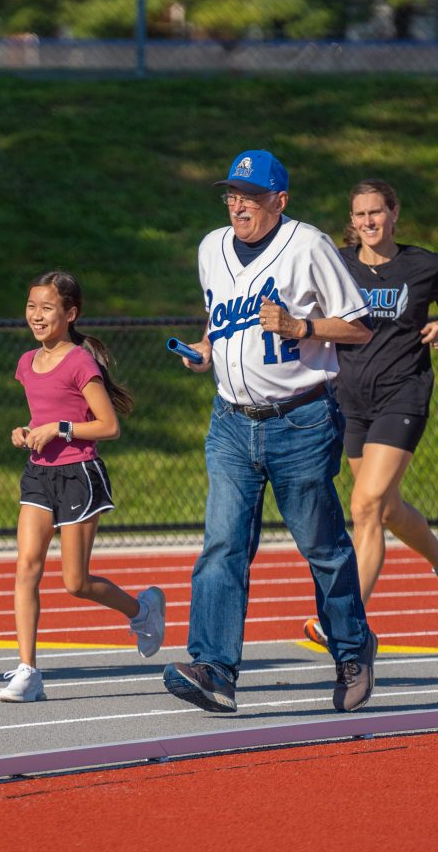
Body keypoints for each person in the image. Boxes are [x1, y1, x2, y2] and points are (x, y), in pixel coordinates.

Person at [165, 150, 377, 714]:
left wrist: (301, 325)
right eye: (232, 195)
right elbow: (220, 319)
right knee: (223, 546)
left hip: (301, 420)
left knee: (321, 547)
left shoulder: (307, 245)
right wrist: (205, 349)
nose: (239, 205)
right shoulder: (211, 247)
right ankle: (214, 669)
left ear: (279, 201)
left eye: (251, 197)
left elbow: (358, 328)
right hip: (231, 422)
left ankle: (351, 648)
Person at [301, 179, 438, 646]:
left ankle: (346, 621)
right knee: (386, 510)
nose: (368, 222)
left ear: (394, 213)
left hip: (403, 394)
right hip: (351, 400)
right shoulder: (338, 264)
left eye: (376, 212)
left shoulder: (422, 265)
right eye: (360, 214)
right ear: (352, 220)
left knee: (365, 506)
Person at [0, 271, 165, 703]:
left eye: (47, 308)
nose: (37, 316)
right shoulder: (26, 363)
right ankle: (28, 671)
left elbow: (108, 426)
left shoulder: (80, 363)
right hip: (38, 475)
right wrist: (26, 431)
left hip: (79, 475)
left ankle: (142, 610)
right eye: (31, 306)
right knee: (26, 568)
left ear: (70, 314)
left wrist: (60, 428)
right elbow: (42, 417)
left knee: (75, 582)